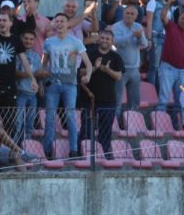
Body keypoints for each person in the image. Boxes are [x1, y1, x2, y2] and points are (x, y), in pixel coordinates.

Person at [41, 13, 93, 158]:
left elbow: (88, 64)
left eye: (62, 21)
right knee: (50, 117)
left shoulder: (76, 42)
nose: (59, 24)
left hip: (70, 85)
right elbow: (43, 64)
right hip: (52, 85)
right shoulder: (49, 42)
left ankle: (74, 149)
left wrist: (87, 75)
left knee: (70, 116)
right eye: (56, 21)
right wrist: (41, 81)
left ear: (67, 24)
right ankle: (47, 149)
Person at [81, 30, 125, 157]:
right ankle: (84, 153)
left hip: (108, 99)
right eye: (103, 38)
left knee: (106, 130)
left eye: (108, 39)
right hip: (89, 98)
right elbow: (81, 72)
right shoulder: (89, 53)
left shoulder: (116, 57)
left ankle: (104, 153)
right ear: (98, 39)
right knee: (86, 128)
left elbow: (118, 76)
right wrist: (94, 67)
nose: (105, 40)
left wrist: (107, 70)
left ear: (112, 42)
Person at [155, 0, 184, 113]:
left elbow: (183, 50)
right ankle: (159, 128)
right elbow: (163, 16)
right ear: (178, 19)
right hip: (168, 69)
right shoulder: (172, 27)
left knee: (181, 101)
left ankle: (179, 127)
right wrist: (168, 3)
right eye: (182, 18)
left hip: (182, 71)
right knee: (163, 100)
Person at [112, 6, 148, 115]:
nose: (129, 16)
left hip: (134, 69)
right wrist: (132, 34)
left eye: (132, 14)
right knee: (117, 101)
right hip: (120, 70)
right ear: (123, 14)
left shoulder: (138, 26)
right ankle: (115, 127)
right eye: (127, 13)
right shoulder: (116, 27)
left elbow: (145, 44)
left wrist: (140, 35)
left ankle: (132, 125)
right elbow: (116, 42)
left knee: (134, 101)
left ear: (136, 16)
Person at [145, 0, 176, 88]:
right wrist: (149, 39)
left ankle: (159, 92)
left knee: (162, 68)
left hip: (166, 39)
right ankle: (151, 91)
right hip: (155, 37)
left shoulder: (170, 5)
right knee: (154, 67)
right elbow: (149, 22)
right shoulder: (153, 2)